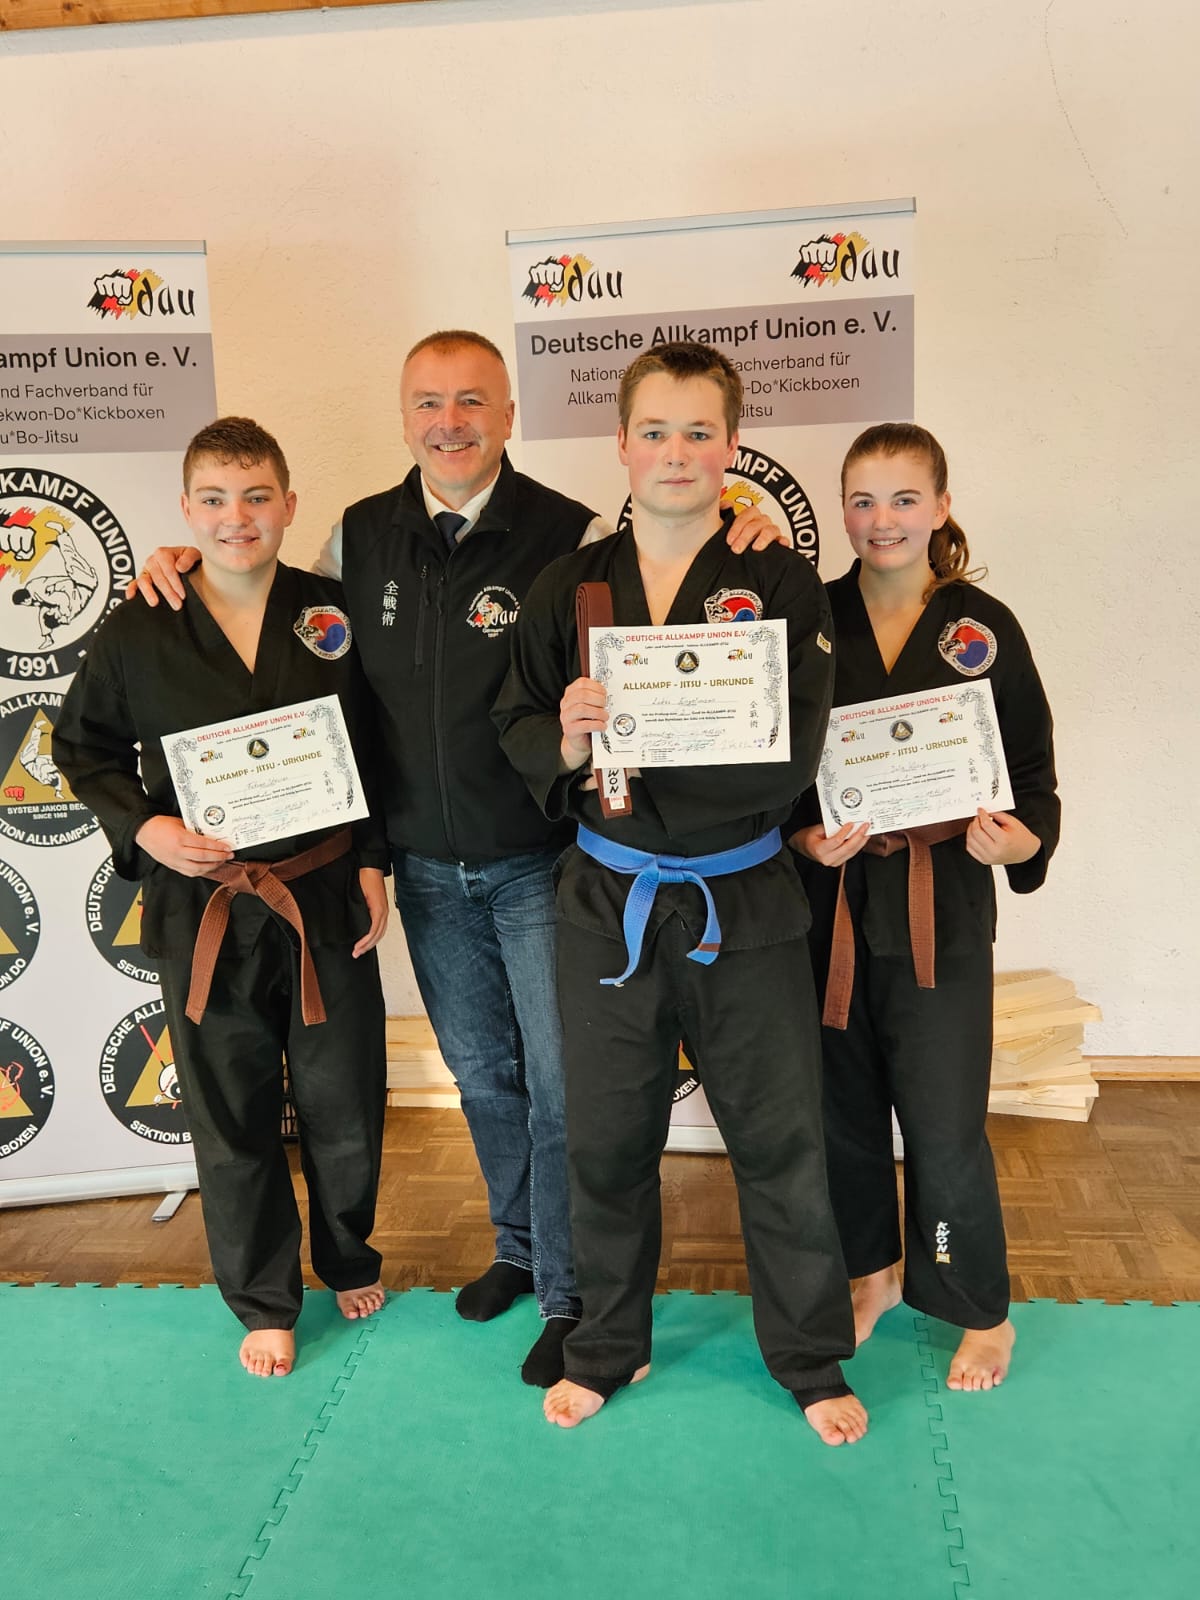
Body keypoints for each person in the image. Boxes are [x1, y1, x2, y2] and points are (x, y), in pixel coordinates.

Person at [130, 331, 782, 1387]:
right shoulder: (355, 539)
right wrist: (183, 560)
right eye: (428, 402)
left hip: (544, 864)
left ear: (509, 414)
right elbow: (266, 598)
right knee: (482, 1079)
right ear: (404, 418)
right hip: (426, 869)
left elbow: (669, 583)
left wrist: (745, 534)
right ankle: (519, 1249)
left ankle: (571, 1295)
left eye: (472, 400)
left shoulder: (571, 534)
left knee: (561, 1088)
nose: (450, 422)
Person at [493, 342, 865, 1445]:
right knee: (606, 1139)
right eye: (654, 431)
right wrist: (570, 742)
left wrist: (659, 776)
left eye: (700, 432)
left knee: (780, 1138)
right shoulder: (571, 585)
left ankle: (808, 1358)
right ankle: (608, 1345)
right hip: (606, 901)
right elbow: (514, 718)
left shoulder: (779, 581)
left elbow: (797, 743)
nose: (676, 452)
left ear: (732, 447)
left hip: (744, 896)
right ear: (621, 444)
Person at [55, 418, 390, 1380]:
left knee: (345, 1100)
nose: (236, 518)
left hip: (322, 892)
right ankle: (264, 1299)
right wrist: (145, 828)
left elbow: (379, 745)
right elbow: (82, 747)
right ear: (186, 509)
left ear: (288, 505)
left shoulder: (333, 614)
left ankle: (348, 1257)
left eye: (255, 497)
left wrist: (374, 863)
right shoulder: (141, 624)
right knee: (231, 1110)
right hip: (201, 905)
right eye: (214, 499)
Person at [790, 422, 1060, 1393]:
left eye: (905, 498)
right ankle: (873, 1274)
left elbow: (1031, 775)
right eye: (862, 499)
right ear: (842, 508)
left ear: (941, 505)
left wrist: (1018, 843)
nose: (882, 519)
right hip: (835, 905)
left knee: (944, 1120)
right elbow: (780, 767)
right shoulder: (812, 619)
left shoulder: (981, 626)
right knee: (845, 1111)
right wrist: (803, 840)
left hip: (940, 900)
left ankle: (980, 1307)